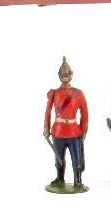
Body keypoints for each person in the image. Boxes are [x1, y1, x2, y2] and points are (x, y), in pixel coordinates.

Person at [43, 57, 89, 191]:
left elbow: (85, 113)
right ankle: (59, 178)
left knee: (77, 157)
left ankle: (78, 180)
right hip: (58, 131)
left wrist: (83, 130)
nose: (66, 78)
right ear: (59, 76)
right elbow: (48, 111)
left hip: (74, 131)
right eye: (63, 75)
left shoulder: (78, 93)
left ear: (72, 75)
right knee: (58, 158)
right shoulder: (54, 93)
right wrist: (46, 127)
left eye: (68, 75)